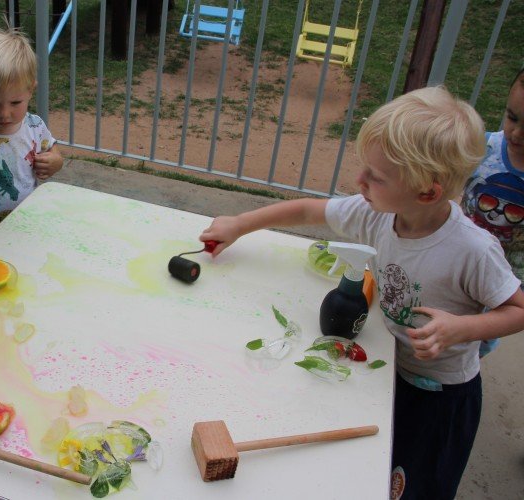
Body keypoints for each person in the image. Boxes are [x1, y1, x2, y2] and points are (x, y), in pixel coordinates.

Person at [199, 86, 524, 500]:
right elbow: (307, 211)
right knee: (368, 471)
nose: (360, 181)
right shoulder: (376, 212)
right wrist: (239, 224)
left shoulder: (472, 250)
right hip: (390, 368)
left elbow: (518, 309)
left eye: (376, 176)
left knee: (416, 485)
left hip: (441, 394)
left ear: (427, 192)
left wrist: (461, 328)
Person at [0, 28, 63, 239]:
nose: (4, 114)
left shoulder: (34, 125)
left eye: (15, 102)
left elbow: (53, 150)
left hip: (26, 223)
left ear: (31, 90)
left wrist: (55, 161)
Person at [461, 68, 524, 357]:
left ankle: (470, 358)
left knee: (483, 329)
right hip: (462, 253)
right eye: (512, 117)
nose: (517, 133)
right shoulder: (484, 147)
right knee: (452, 307)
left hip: (509, 273)